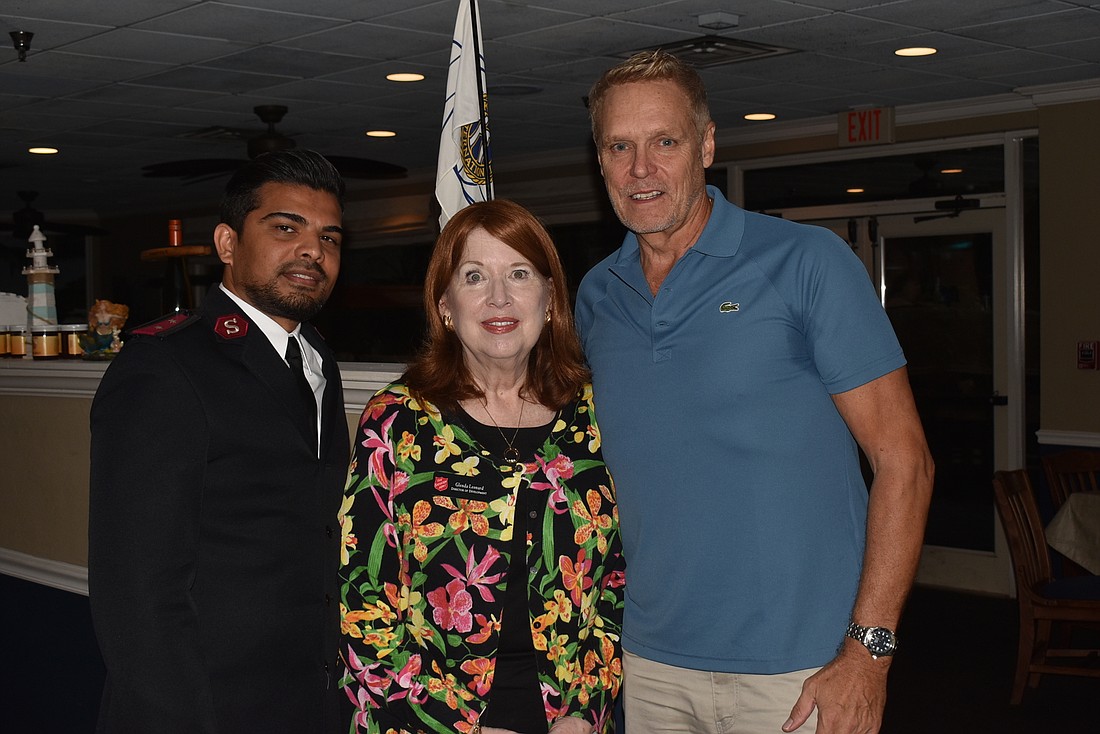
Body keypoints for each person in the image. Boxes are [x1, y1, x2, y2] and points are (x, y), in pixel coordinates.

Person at [575, 51, 934, 734]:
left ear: (707, 145)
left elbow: (905, 462)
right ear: (600, 161)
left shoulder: (807, 263)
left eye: (665, 142)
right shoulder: (596, 297)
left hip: (801, 671)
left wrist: (870, 653)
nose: (640, 168)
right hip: (648, 666)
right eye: (620, 146)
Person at [338, 199, 624, 734]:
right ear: (445, 304)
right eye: (474, 276)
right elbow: (362, 603)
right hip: (422, 722)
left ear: (549, 297)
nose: (499, 297)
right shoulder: (397, 421)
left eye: (519, 274)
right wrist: (457, 727)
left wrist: (587, 707)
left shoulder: (595, 415)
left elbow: (616, 582)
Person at [89, 149, 351, 733]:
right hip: (203, 706)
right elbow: (137, 596)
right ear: (228, 244)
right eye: (286, 228)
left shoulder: (317, 361)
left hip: (307, 699)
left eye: (329, 237)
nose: (313, 250)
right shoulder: (165, 368)